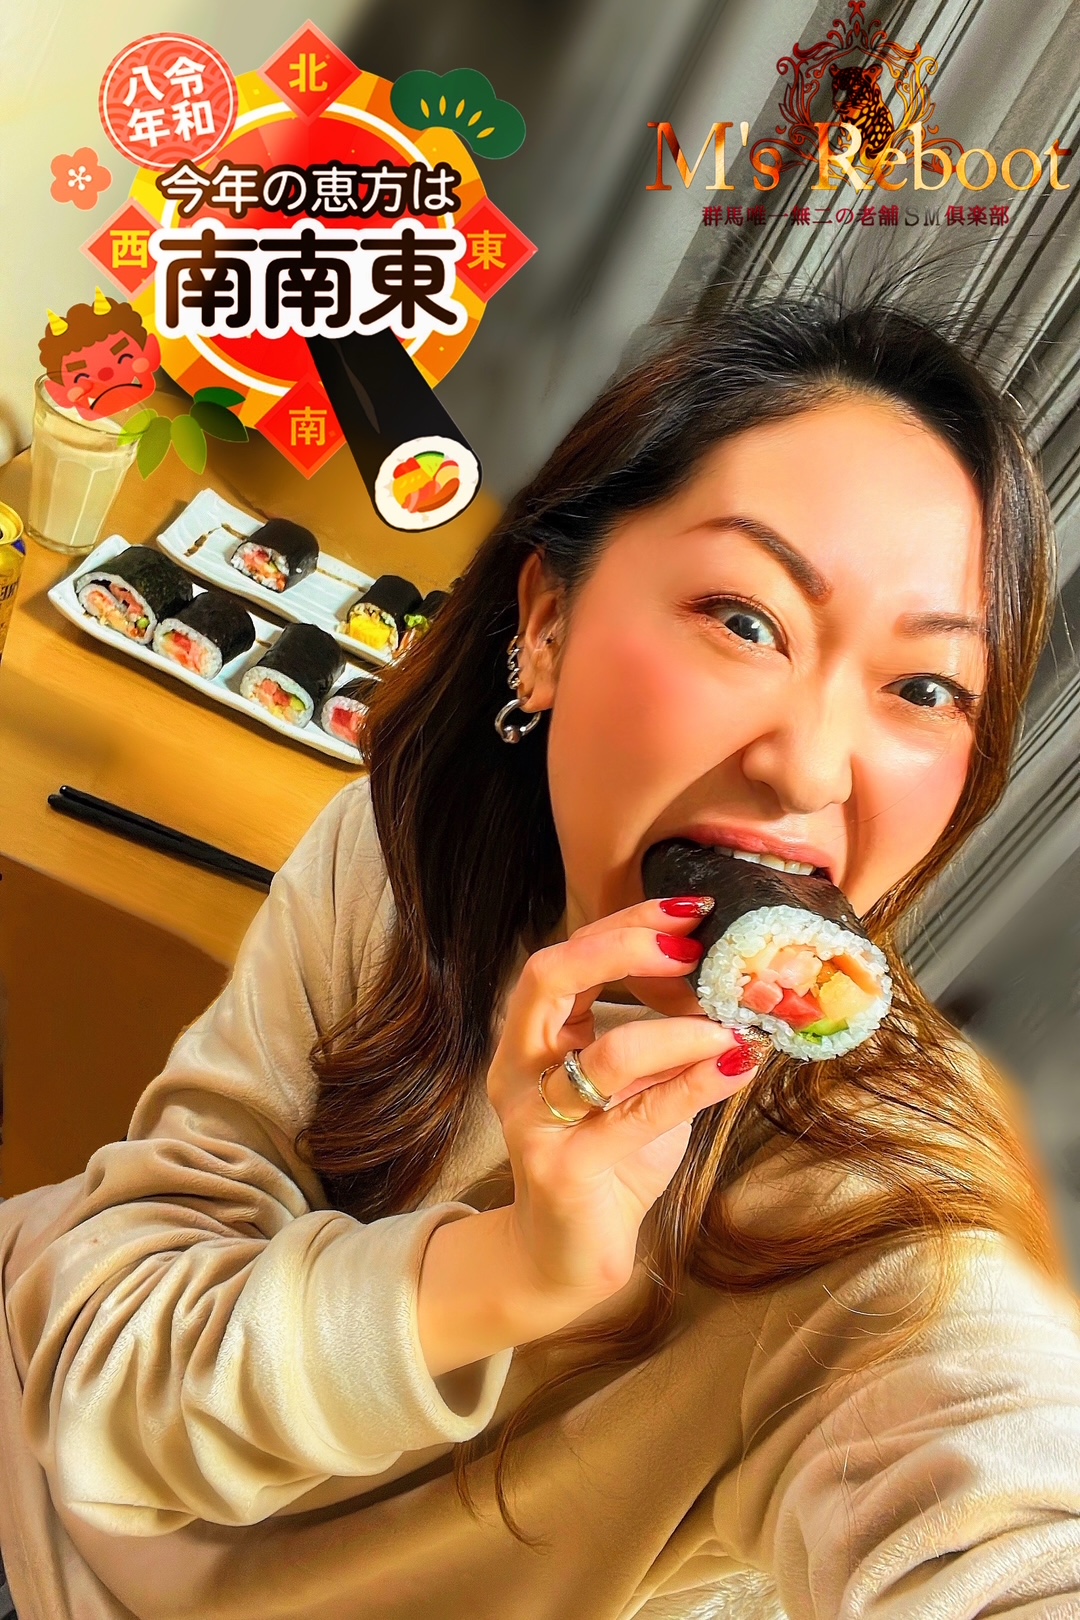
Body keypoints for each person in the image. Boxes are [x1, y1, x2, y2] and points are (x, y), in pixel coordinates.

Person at [2, 288, 1080, 1620]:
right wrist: (503, 1270)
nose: (808, 765)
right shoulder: (407, 853)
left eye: (924, 688)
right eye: (745, 620)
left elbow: (1004, 1515)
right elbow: (97, 1371)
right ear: (550, 624)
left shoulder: (883, 1206)